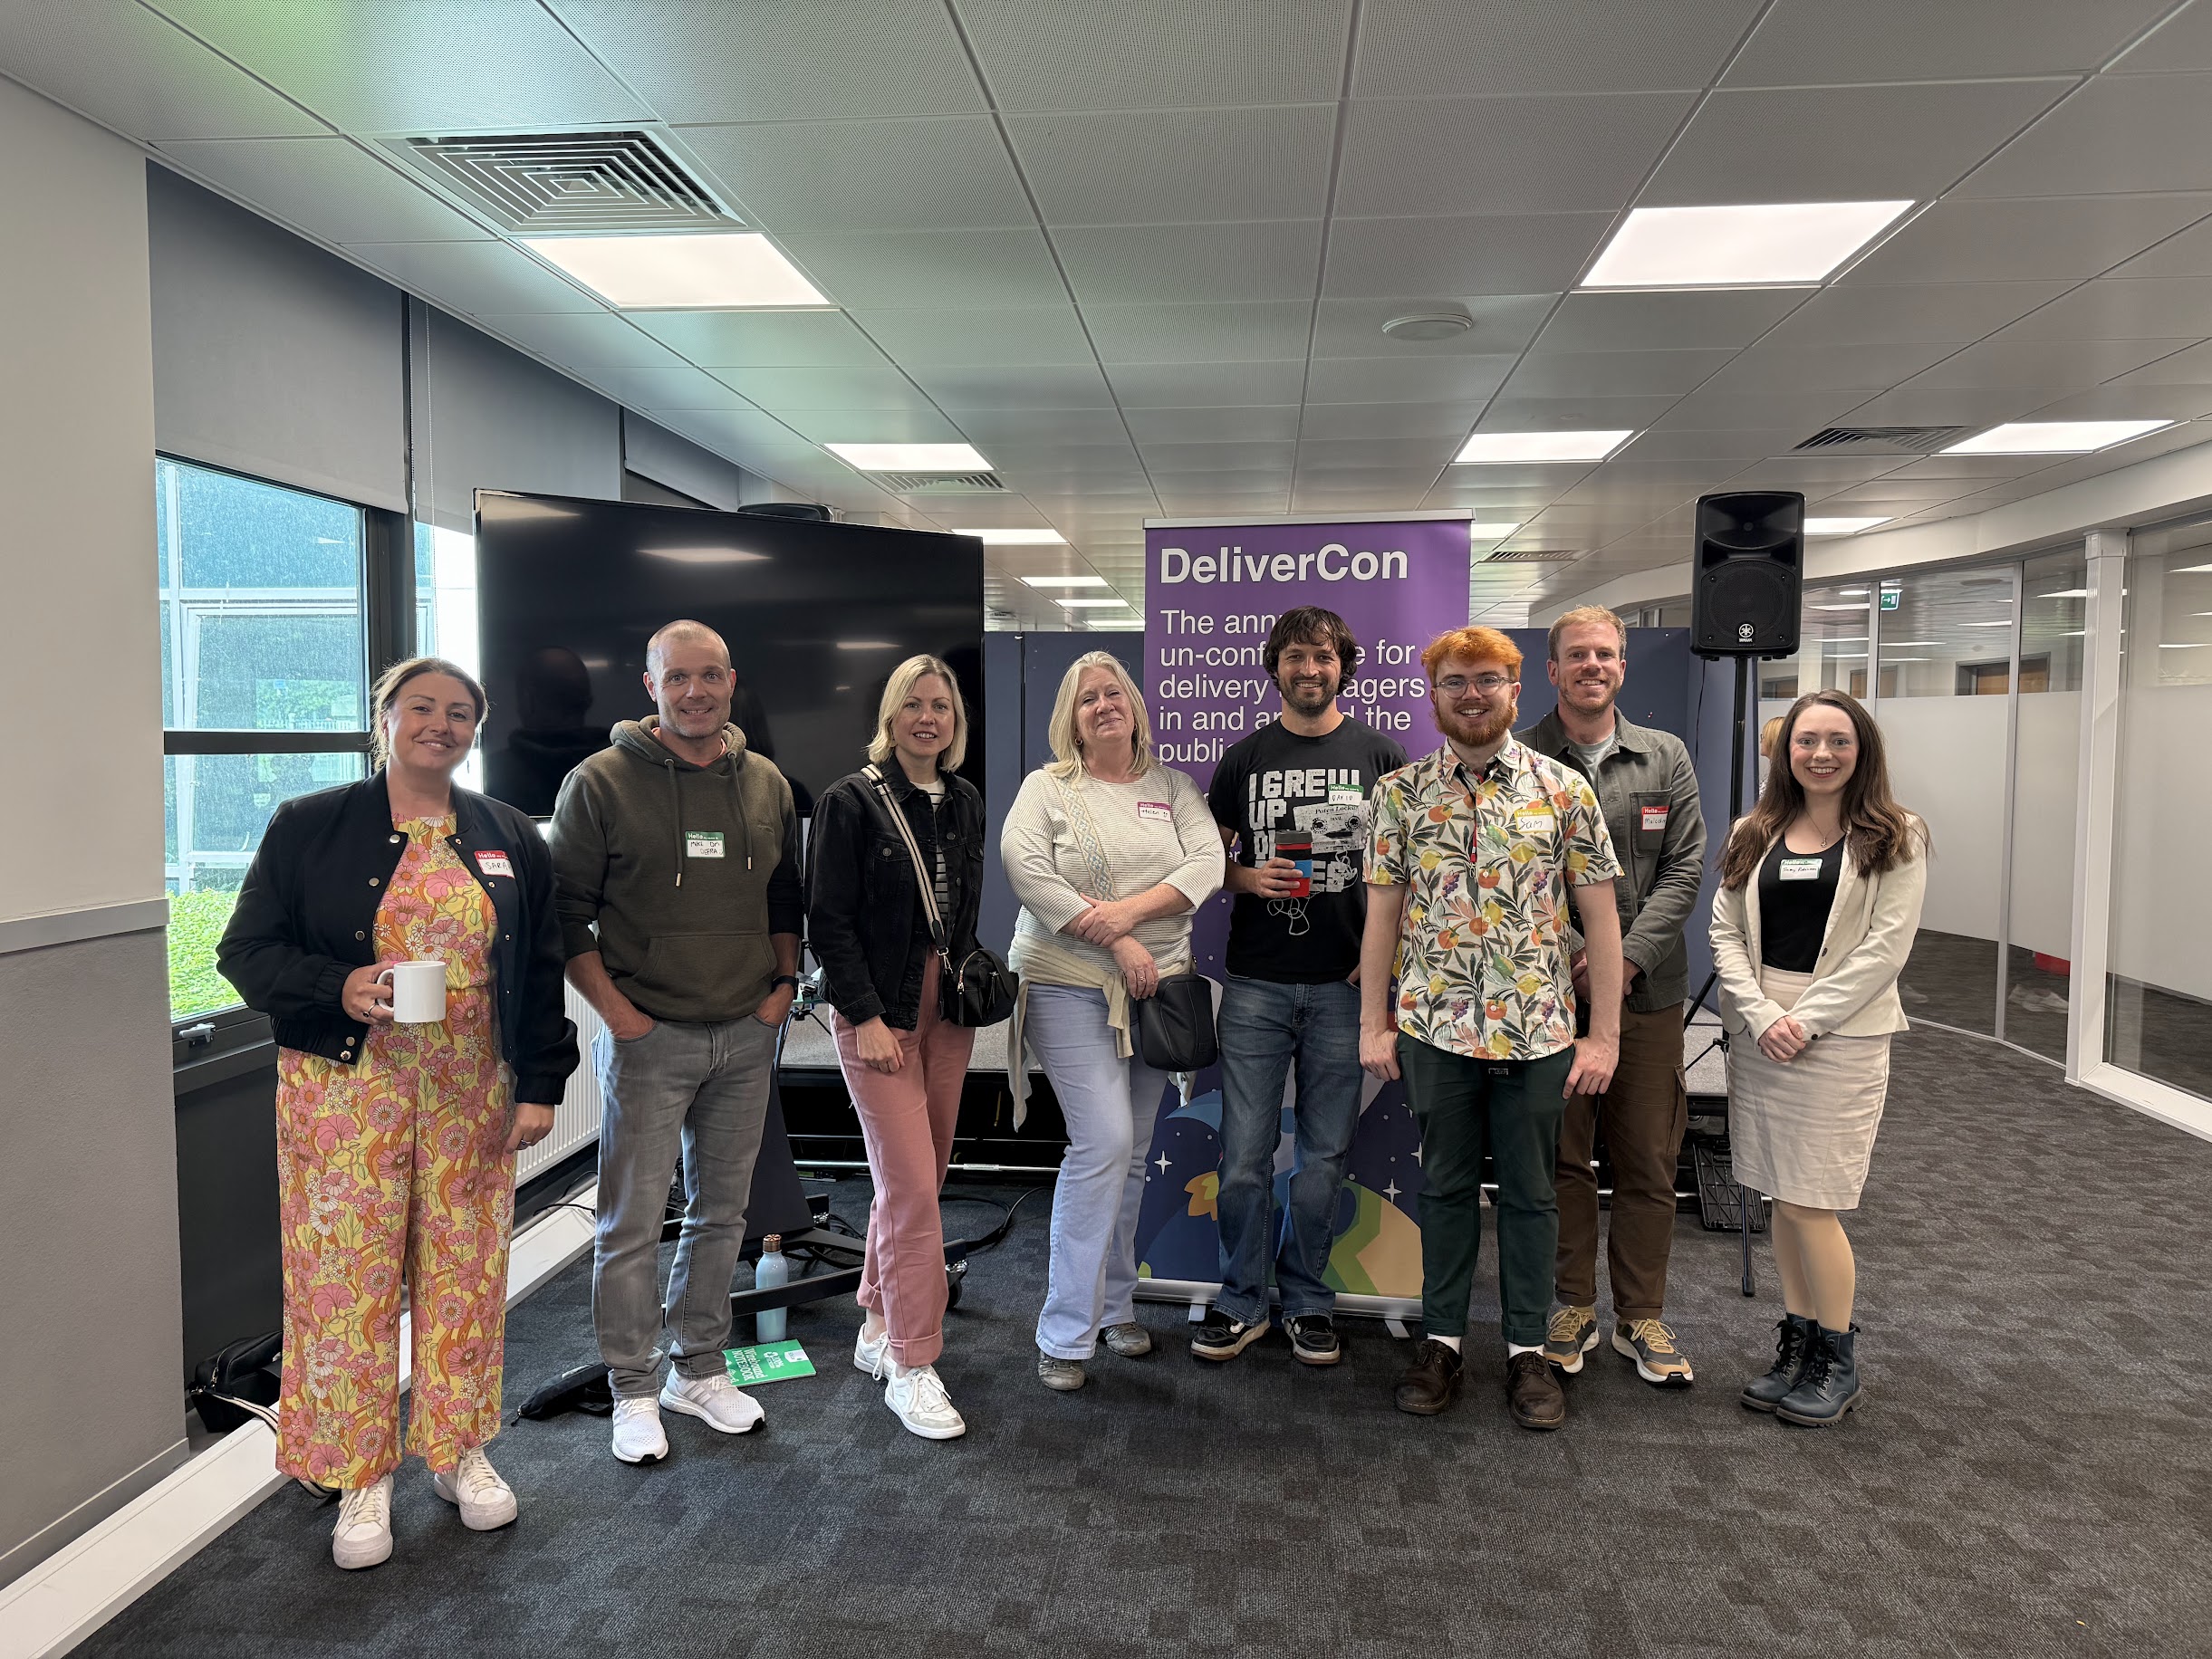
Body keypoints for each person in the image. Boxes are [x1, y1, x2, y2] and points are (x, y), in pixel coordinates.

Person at [217, 657, 578, 1570]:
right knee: (349, 1286)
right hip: (346, 1098)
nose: (441, 724)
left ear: (475, 730)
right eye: (421, 707)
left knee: (466, 1275)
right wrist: (336, 984)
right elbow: (246, 950)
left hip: (471, 1096)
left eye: (460, 712)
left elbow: (536, 968)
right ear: (382, 718)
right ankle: (358, 1471)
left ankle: (458, 1449)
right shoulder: (312, 826)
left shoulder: (504, 833)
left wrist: (540, 1083)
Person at [550, 619, 803, 1463]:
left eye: (710, 676)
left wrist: (779, 992)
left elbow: (782, 901)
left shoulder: (765, 783)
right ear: (649, 685)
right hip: (648, 1038)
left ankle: (698, 1369)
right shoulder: (599, 783)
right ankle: (632, 1386)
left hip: (743, 1033)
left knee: (721, 1214)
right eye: (677, 677)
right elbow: (565, 912)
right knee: (629, 1223)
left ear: (732, 682)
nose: (694, 691)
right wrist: (618, 1015)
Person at [1359, 627, 1624, 1430]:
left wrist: (1603, 1035)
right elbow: (1380, 920)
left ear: (1515, 689)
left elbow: (1602, 924)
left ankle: (1526, 1352)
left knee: (1533, 1194)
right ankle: (1441, 1341)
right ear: (1432, 694)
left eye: (1486, 680)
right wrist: (1374, 1024)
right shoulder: (1401, 796)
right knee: (1441, 1188)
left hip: (1538, 1032)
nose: (1470, 695)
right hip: (1435, 1029)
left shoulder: (1563, 789)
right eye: (1453, 682)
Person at [1002, 651, 1222, 1392]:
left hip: (1156, 993)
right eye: (1088, 697)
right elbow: (1028, 870)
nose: (1104, 704)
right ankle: (1064, 1332)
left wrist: (1130, 915)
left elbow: (1206, 866)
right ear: (1073, 717)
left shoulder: (1172, 786)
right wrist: (1120, 938)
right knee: (1105, 1143)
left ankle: (1114, 1306)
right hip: (1068, 983)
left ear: (1134, 705)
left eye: (1114, 692)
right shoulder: (1048, 788)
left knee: (1131, 1156)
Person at [1710, 689, 1927, 1427]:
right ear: (1786, 751)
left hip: (1840, 1036)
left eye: (1838, 740)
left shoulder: (1896, 835)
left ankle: (1838, 1355)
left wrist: (1803, 1021)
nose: (1822, 754)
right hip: (1762, 1027)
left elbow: (1884, 950)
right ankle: (1797, 1343)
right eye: (1808, 741)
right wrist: (1763, 1014)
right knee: (1777, 1192)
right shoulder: (1755, 830)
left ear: (1862, 749)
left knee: (1812, 1199)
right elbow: (1726, 933)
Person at [1197, 607, 1405, 1367]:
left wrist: (1386, 959)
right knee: (1245, 1159)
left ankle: (1308, 1298)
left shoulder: (1382, 756)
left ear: (1343, 664)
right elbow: (1201, 861)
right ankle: (1241, 1300)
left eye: (1322, 656)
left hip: (1347, 992)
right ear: (1274, 666)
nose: (1308, 669)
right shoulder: (1243, 758)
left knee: (1322, 1159)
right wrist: (1247, 877)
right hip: (1254, 984)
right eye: (1294, 656)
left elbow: (1411, 870)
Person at [1519, 606, 1708, 1387]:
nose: (1592, 666)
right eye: (1576, 656)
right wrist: (1576, 958)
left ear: (1622, 668)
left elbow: (1687, 870)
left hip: (1648, 994)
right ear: (1553, 670)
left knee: (1647, 1158)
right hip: (1550, 995)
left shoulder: (1664, 758)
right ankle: (1572, 1305)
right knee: (1561, 1157)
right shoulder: (1523, 757)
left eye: (1606, 654)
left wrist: (1621, 960)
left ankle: (1642, 1314)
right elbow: (1513, 881)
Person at [806, 656, 986, 1441]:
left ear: (955, 720)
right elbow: (829, 921)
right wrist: (866, 1014)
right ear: (890, 715)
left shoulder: (967, 800)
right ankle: (913, 1364)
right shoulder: (851, 802)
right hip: (877, 1008)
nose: (927, 718)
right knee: (912, 1187)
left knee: (923, 1173)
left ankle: (878, 1322)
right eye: (912, 705)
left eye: (940, 706)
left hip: (946, 1007)